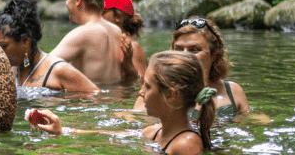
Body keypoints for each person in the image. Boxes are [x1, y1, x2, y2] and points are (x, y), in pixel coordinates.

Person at [28, 51, 216, 155]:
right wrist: (62, 131)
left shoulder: (186, 144)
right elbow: (107, 135)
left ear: (171, 95)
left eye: (147, 86)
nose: (141, 92)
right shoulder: (154, 131)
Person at [134, 17, 250, 115]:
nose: (184, 55)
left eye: (194, 50)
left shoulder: (233, 91)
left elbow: (249, 123)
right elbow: (135, 121)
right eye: (178, 49)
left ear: (214, 55)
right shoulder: (155, 89)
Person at [0, 0, 99, 92]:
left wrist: (64, 102)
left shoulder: (58, 71)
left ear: (25, 41)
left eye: (4, 46)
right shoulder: (9, 72)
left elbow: (96, 95)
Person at [50, 0, 131, 83]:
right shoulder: (116, 30)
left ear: (78, 0)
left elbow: (42, 65)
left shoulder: (85, 32)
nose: (66, 2)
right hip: (114, 93)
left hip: (90, 94)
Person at [102, 0, 148, 79]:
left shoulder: (133, 47)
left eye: (103, 12)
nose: (97, 16)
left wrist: (128, 64)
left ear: (118, 16)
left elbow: (143, 81)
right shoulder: (107, 42)